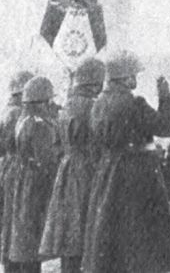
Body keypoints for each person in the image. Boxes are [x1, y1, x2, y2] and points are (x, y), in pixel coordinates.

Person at [82, 50, 170, 273]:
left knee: (111, 229)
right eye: (133, 75)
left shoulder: (98, 103)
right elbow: (167, 126)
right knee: (140, 233)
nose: (135, 79)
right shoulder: (134, 103)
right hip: (138, 174)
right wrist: (166, 97)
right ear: (125, 77)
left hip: (108, 173)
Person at [39, 58, 105, 273]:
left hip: (67, 170)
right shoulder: (93, 106)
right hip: (88, 170)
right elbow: (98, 142)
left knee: (69, 230)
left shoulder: (67, 105)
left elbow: (56, 144)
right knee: (88, 229)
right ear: (95, 82)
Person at [2, 76, 59, 273]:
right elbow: (46, 159)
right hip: (36, 186)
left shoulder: (23, 118)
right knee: (31, 240)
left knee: (21, 236)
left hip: (24, 180)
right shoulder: (40, 123)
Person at [0, 70, 34, 273]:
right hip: (17, 169)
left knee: (8, 222)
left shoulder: (6, 111)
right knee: (18, 221)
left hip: (6, 167)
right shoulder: (18, 114)